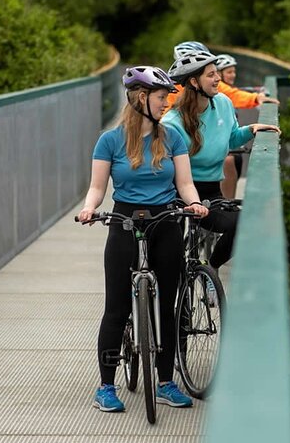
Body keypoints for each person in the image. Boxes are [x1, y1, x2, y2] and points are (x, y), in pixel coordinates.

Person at [77, 66, 209, 413]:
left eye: (166, 97)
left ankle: (165, 382)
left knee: (168, 304)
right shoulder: (109, 140)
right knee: (116, 308)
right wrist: (89, 209)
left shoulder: (173, 138)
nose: (166, 103)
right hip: (124, 220)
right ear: (140, 98)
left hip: (166, 220)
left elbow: (184, 183)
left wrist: (193, 203)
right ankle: (106, 385)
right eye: (161, 97)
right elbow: (96, 187)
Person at [161, 50, 281, 269]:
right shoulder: (172, 123)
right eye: (211, 75)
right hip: (176, 194)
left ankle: (210, 268)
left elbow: (231, 138)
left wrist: (251, 129)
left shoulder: (223, 103)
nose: (218, 79)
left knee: (244, 222)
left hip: (210, 191)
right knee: (172, 261)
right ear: (194, 82)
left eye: (217, 73)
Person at [213, 53, 280, 198]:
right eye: (229, 72)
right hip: (224, 148)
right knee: (230, 162)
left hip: (229, 142)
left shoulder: (223, 90)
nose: (233, 75)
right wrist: (256, 97)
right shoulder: (220, 89)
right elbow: (235, 95)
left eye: (234, 71)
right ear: (219, 73)